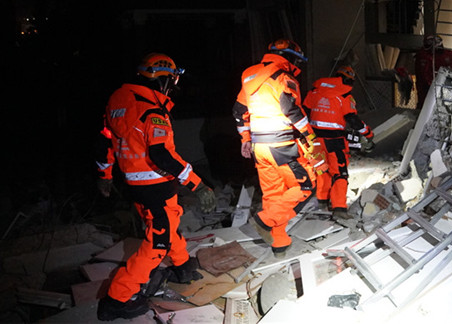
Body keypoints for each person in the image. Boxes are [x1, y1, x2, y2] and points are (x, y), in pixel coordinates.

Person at [95, 53, 216, 321]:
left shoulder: (117, 104)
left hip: (135, 185)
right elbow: (161, 155)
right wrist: (197, 185)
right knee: (157, 244)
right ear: (163, 80)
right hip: (157, 186)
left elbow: (104, 143)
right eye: (172, 81)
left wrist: (104, 175)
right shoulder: (152, 110)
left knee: (168, 225)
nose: (172, 87)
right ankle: (116, 299)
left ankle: (182, 266)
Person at [232, 39, 328, 258]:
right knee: (306, 186)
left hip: (259, 146)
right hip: (281, 145)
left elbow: (238, 111)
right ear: (291, 59)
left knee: (274, 195)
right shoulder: (283, 77)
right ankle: (263, 221)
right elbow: (291, 110)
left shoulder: (249, 76)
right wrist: (310, 137)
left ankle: (280, 244)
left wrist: (245, 138)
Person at [303, 65, 374, 219]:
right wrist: (368, 134)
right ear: (350, 81)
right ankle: (339, 209)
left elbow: (304, 111)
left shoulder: (315, 91)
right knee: (340, 173)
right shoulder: (345, 95)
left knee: (322, 170)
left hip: (315, 140)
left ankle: (322, 203)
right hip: (335, 141)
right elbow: (353, 120)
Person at [414, 34, 452, 109]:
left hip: (443, 86)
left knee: (442, 105)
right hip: (425, 86)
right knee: (425, 105)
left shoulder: (448, 54)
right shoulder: (422, 55)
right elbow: (420, 72)